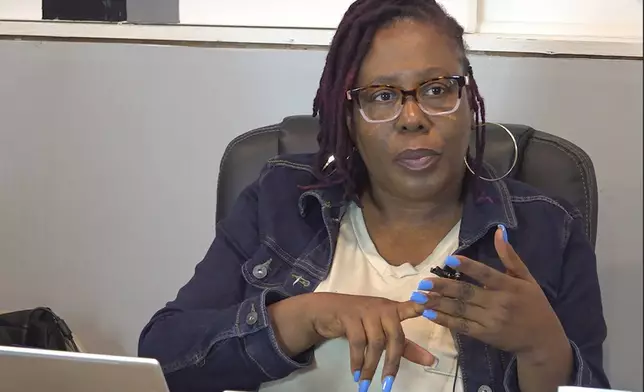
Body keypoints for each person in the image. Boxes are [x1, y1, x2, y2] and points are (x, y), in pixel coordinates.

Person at [138, 1, 610, 391]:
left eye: (437, 88)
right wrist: (306, 317)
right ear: (348, 118)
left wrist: (543, 349)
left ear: (469, 102)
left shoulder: (548, 230)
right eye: (382, 95)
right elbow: (164, 358)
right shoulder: (279, 200)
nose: (412, 117)